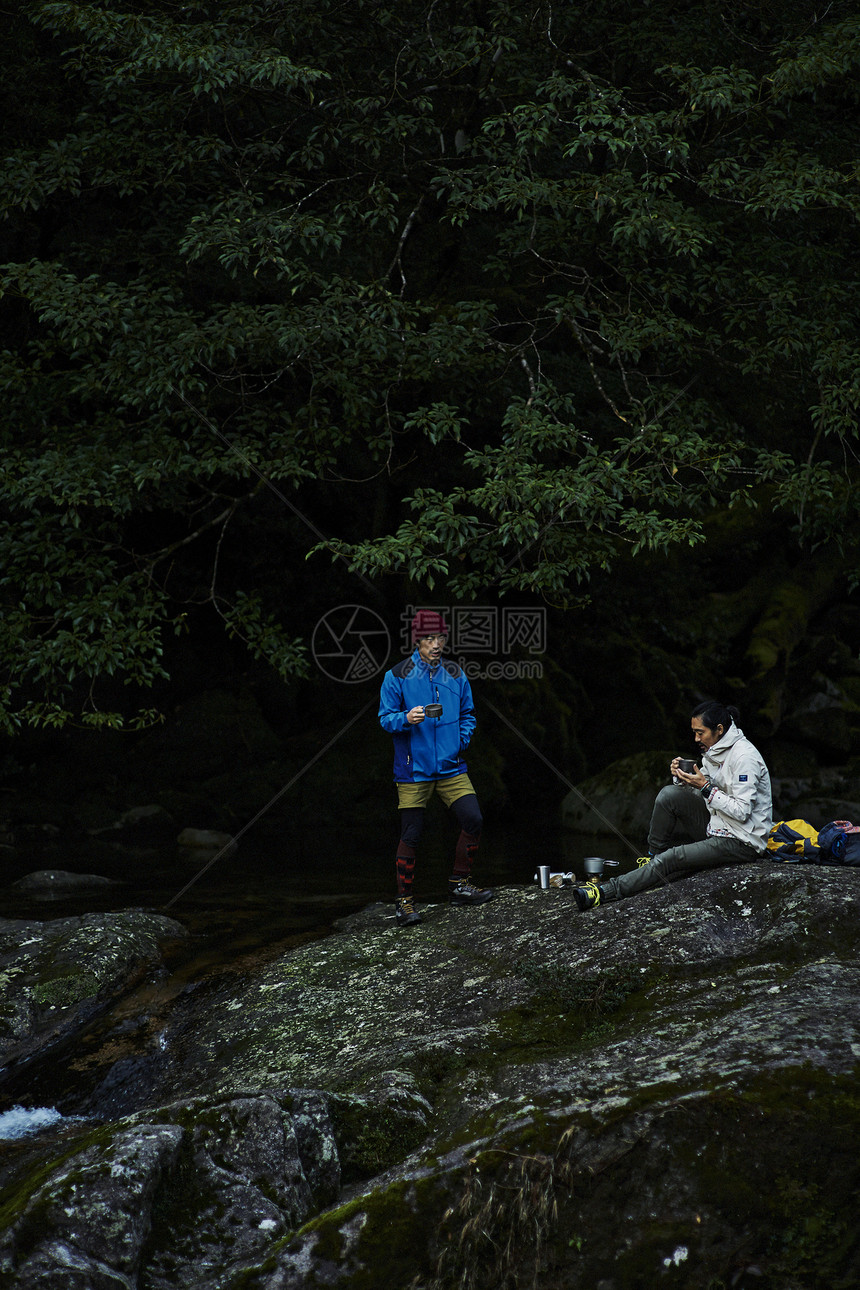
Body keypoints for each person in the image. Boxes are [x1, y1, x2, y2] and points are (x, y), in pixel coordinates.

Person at [573, 700, 772, 911]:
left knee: (673, 858)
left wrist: (704, 787)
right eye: (694, 732)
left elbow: (741, 812)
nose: (696, 739)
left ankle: (604, 892)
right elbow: (707, 783)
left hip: (741, 840)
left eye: (700, 732)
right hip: (718, 825)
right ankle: (652, 859)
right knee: (669, 795)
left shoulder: (744, 757)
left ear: (719, 729)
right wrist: (683, 777)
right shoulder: (717, 748)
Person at [378, 609, 495, 926]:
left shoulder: (455, 673)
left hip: (450, 767)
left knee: (473, 817)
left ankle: (460, 886)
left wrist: (459, 742)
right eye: (430, 638)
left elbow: (469, 714)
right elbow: (384, 719)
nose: (437, 643)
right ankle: (404, 904)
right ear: (418, 640)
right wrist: (405, 718)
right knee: (412, 833)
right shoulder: (397, 676)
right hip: (413, 770)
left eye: (441, 637)